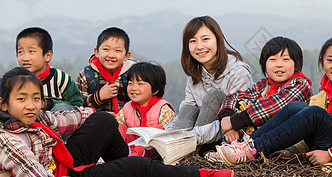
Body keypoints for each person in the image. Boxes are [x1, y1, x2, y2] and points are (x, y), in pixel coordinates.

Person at [0, 67, 234, 177]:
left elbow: (66, 118)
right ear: (4, 104)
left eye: (36, 98)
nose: (31, 105)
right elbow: (27, 167)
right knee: (137, 166)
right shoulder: (6, 139)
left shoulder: (38, 118)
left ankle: (129, 167)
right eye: (22, 99)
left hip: (64, 163)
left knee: (103, 121)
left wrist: (101, 116)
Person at [215, 36, 332, 174]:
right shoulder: (324, 94)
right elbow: (305, 127)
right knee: (296, 108)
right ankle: (243, 148)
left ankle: (253, 149)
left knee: (313, 113)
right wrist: (292, 150)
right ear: (321, 63)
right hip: (330, 139)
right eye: (330, 60)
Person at [168, 16, 253, 155]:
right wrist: (168, 132)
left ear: (218, 40)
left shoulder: (239, 73)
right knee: (188, 108)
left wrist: (190, 137)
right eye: (193, 41)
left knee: (214, 96)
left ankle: (187, 154)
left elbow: (234, 122)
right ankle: (174, 151)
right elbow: (187, 110)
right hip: (194, 137)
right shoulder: (194, 74)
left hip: (227, 137)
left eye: (205, 39)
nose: (199, 46)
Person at [217, 36, 312, 143]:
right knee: (238, 101)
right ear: (264, 65)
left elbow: (277, 104)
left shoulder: (301, 84)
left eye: (285, 59)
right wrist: (227, 117)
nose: (279, 65)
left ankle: (242, 148)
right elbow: (235, 97)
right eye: (272, 59)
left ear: (296, 65)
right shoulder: (265, 85)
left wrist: (235, 121)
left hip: (285, 140)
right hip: (257, 136)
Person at [16, 27, 82, 111]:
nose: (25, 58)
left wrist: (50, 104)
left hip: (56, 122)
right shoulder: (14, 81)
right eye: (20, 52)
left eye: (31, 51)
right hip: (25, 122)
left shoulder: (61, 79)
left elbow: (77, 105)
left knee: (61, 107)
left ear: (47, 56)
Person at [76, 27, 138, 114]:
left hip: (129, 123)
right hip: (97, 123)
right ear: (97, 52)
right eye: (106, 49)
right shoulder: (86, 75)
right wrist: (99, 97)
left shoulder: (134, 73)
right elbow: (78, 106)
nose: (111, 55)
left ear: (126, 55)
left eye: (118, 50)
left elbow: (144, 101)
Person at [116, 61, 175, 143]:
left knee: (158, 129)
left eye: (140, 84)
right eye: (130, 83)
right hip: (131, 147)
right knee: (118, 127)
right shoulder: (127, 108)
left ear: (155, 90)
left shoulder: (163, 109)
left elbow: (169, 133)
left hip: (154, 148)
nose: (133, 88)